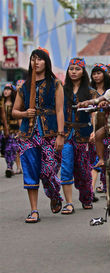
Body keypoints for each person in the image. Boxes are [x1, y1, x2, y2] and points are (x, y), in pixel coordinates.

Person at [12, 47, 64, 223]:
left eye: (40, 59)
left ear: (46, 62)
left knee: (48, 170)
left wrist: (60, 135)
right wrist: (25, 114)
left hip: (49, 132)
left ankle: (54, 194)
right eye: (33, 59)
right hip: (28, 134)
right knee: (30, 171)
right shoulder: (24, 87)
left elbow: (59, 111)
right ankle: (33, 210)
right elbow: (14, 112)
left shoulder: (55, 84)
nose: (36, 62)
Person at [60, 57, 98, 214]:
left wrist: (95, 131)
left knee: (83, 170)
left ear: (83, 72)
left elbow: (95, 114)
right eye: (71, 69)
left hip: (84, 134)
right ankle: (68, 203)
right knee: (66, 167)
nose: (73, 72)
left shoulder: (90, 92)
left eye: (77, 69)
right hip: (66, 134)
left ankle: (86, 197)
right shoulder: (61, 90)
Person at [90, 63, 110, 200]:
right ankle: (90, 191)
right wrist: (92, 131)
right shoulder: (89, 91)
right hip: (94, 128)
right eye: (94, 73)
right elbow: (90, 114)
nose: (97, 76)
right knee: (94, 161)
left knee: (109, 160)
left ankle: (109, 189)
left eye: (99, 73)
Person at [0, 83, 19, 177]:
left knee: (10, 148)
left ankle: (9, 167)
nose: (6, 91)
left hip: (13, 130)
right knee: (3, 149)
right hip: (2, 130)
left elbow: (19, 118)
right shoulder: (1, 102)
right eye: (5, 89)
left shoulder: (15, 103)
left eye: (8, 89)